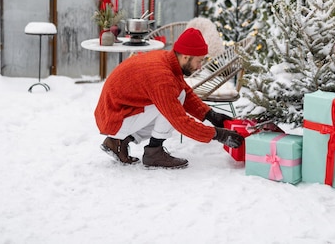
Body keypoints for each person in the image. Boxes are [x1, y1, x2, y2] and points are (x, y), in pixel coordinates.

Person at [94, 27, 244, 169]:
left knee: (179, 96)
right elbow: (180, 121)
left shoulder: (168, 60)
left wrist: (210, 115)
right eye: (199, 61)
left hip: (119, 111)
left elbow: (184, 90)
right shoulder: (161, 76)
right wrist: (219, 134)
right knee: (171, 106)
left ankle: (117, 141)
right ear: (185, 57)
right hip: (114, 117)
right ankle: (154, 152)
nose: (200, 67)